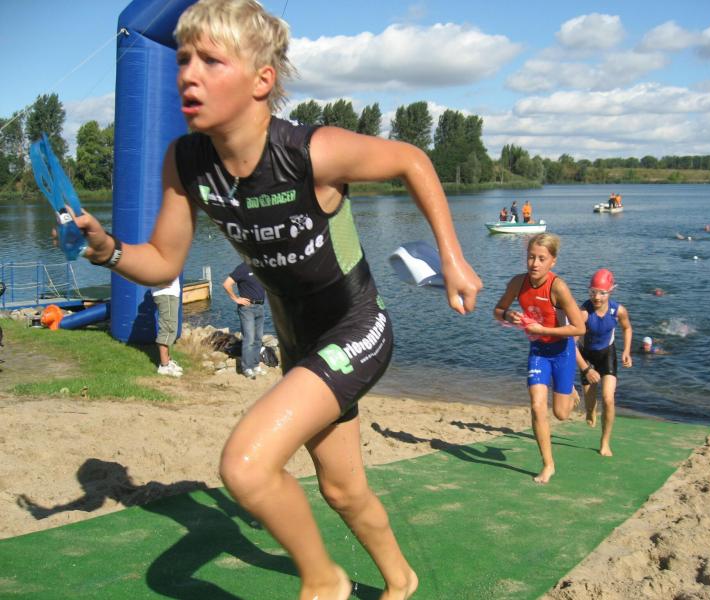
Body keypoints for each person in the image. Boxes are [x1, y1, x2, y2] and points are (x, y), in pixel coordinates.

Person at [72, 1, 481, 598]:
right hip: (297, 342)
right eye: (183, 59)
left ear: (262, 80)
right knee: (342, 490)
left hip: (356, 327)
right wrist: (108, 250)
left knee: (245, 465)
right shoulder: (186, 162)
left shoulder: (311, 150)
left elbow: (412, 160)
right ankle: (402, 582)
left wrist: (452, 257)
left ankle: (324, 581)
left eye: (210, 61)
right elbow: (162, 261)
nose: (188, 75)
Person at [494, 233, 584, 484]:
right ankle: (548, 464)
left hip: (563, 351)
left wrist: (543, 329)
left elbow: (579, 328)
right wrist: (508, 315)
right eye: (531, 257)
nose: (534, 263)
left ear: (553, 261)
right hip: (538, 352)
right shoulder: (518, 282)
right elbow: (498, 310)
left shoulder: (558, 287)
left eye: (541, 259)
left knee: (561, 414)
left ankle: (571, 389)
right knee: (536, 406)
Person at [573, 269, 632, 457]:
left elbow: (627, 328)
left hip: (607, 354)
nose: (596, 297)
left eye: (602, 293)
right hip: (586, 356)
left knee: (608, 399)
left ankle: (605, 442)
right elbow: (570, 344)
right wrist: (586, 369)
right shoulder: (583, 313)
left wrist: (626, 351)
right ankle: (590, 410)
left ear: (610, 291)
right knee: (590, 403)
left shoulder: (618, 311)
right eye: (592, 292)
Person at [223, 262, 266, 379]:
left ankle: (255, 365)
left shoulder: (261, 266)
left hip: (260, 307)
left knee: (258, 338)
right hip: (247, 309)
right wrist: (236, 299)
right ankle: (247, 368)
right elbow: (227, 284)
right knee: (249, 338)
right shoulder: (243, 268)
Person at [153, 276, 183, 377]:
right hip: (166, 294)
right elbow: (149, 271)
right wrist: (161, 283)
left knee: (170, 328)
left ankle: (167, 361)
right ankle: (164, 366)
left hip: (169, 294)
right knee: (167, 329)